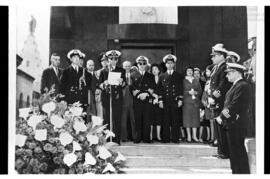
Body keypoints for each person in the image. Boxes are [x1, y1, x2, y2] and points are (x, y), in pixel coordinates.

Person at [215, 63, 251, 174]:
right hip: (232, 123)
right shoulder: (237, 85)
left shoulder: (242, 85)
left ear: (236, 72)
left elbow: (234, 106)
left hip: (236, 124)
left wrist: (222, 116)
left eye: (229, 73)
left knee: (237, 152)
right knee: (234, 153)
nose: (227, 76)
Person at [98, 50, 126, 145]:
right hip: (107, 97)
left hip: (117, 98)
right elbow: (99, 85)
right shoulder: (103, 71)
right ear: (108, 59)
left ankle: (116, 140)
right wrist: (103, 84)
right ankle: (106, 139)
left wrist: (122, 81)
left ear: (117, 60)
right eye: (111, 59)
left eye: (115, 59)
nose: (113, 60)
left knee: (117, 118)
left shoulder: (121, 70)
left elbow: (124, 84)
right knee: (107, 119)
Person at [209, 43, 232, 159]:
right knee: (218, 127)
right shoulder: (216, 67)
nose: (212, 58)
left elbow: (222, 85)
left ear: (222, 56)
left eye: (214, 56)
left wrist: (214, 97)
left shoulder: (224, 67)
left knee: (221, 126)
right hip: (215, 101)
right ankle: (220, 150)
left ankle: (224, 152)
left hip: (220, 101)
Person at [157, 54, 183, 143]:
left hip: (175, 100)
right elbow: (159, 89)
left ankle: (175, 138)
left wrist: (180, 99)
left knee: (175, 120)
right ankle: (166, 138)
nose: (170, 65)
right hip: (165, 101)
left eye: (171, 63)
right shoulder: (162, 76)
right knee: (166, 120)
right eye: (168, 63)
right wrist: (160, 101)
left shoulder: (178, 75)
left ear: (174, 64)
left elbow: (180, 88)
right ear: (165, 64)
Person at [130, 56, 155, 143]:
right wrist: (139, 94)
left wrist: (146, 94)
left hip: (147, 100)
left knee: (147, 119)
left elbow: (152, 87)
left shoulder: (150, 76)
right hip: (137, 99)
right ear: (137, 64)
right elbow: (132, 87)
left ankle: (146, 138)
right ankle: (137, 138)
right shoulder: (133, 75)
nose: (142, 65)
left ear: (146, 65)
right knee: (138, 119)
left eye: (144, 63)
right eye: (140, 63)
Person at [183, 67, 202, 143]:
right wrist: (188, 92)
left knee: (195, 120)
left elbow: (200, 90)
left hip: (195, 102)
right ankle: (189, 137)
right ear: (186, 72)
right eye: (188, 71)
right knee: (187, 119)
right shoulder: (183, 81)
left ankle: (194, 136)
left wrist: (196, 93)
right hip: (187, 102)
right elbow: (180, 91)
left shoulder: (196, 81)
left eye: (191, 71)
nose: (190, 72)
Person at [121, 60, 136, 142]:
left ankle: (134, 137)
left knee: (133, 120)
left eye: (128, 66)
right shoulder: (120, 76)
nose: (127, 68)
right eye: (125, 66)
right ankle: (124, 137)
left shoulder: (134, 75)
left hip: (132, 101)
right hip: (123, 101)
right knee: (123, 120)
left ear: (131, 67)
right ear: (123, 67)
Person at [201, 65, 216, 144]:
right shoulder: (207, 81)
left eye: (207, 71)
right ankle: (211, 138)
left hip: (212, 103)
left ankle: (214, 138)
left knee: (213, 121)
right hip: (207, 103)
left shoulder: (214, 80)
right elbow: (205, 92)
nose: (206, 73)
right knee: (210, 122)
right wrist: (204, 100)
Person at [149, 63, 163, 142]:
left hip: (159, 101)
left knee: (159, 119)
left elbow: (162, 90)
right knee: (150, 119)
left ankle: (158, 136)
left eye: (156, 69)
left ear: (159, 70)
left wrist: (159, 98)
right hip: (151, 101)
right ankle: (150, 135)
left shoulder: (161, 78)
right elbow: (148, 88)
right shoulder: (149, 78)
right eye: (153, 69)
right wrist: (154, 95)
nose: (154, 71)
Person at [95, 52, 109, 118]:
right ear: (100, 62)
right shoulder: (97, 72)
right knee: (100, 115)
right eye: (102, 60)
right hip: (100, 96)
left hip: (110, 96)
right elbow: (95, 84)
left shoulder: (112, 71)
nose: (104, 62)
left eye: (106, 60)